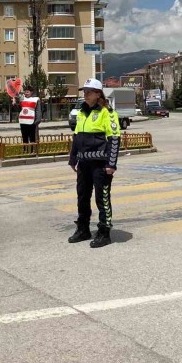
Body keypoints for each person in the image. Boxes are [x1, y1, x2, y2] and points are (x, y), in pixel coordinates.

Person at [68, 79, 120, 248]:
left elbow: (114, 139)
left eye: (89, 92)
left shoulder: (107, 112)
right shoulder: (82, 112)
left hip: (100, 163)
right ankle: (83, 229)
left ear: (98, 94)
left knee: (102, 198)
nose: (85, 95)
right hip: (83, 163)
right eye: (84, 92)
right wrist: (73, 158)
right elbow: (77, 137)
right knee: (82, 197)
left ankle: (104, 232)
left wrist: (111, 164)